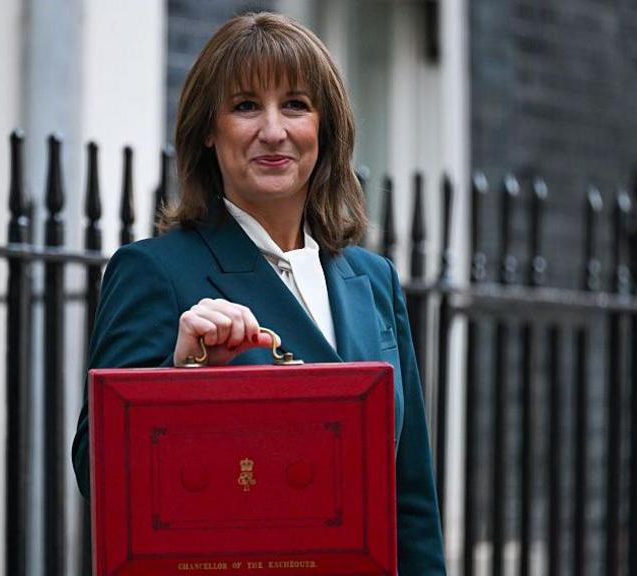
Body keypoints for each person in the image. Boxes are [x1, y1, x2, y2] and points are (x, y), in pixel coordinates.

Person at [72, 12, 445, 573]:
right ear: (208, 129)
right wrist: (178, 375)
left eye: (295, 104)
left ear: (325, 127)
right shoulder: (153, 270)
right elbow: (95, 475)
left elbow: (410, 496)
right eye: (246, 106)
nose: (274, 131)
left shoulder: (373, 281)